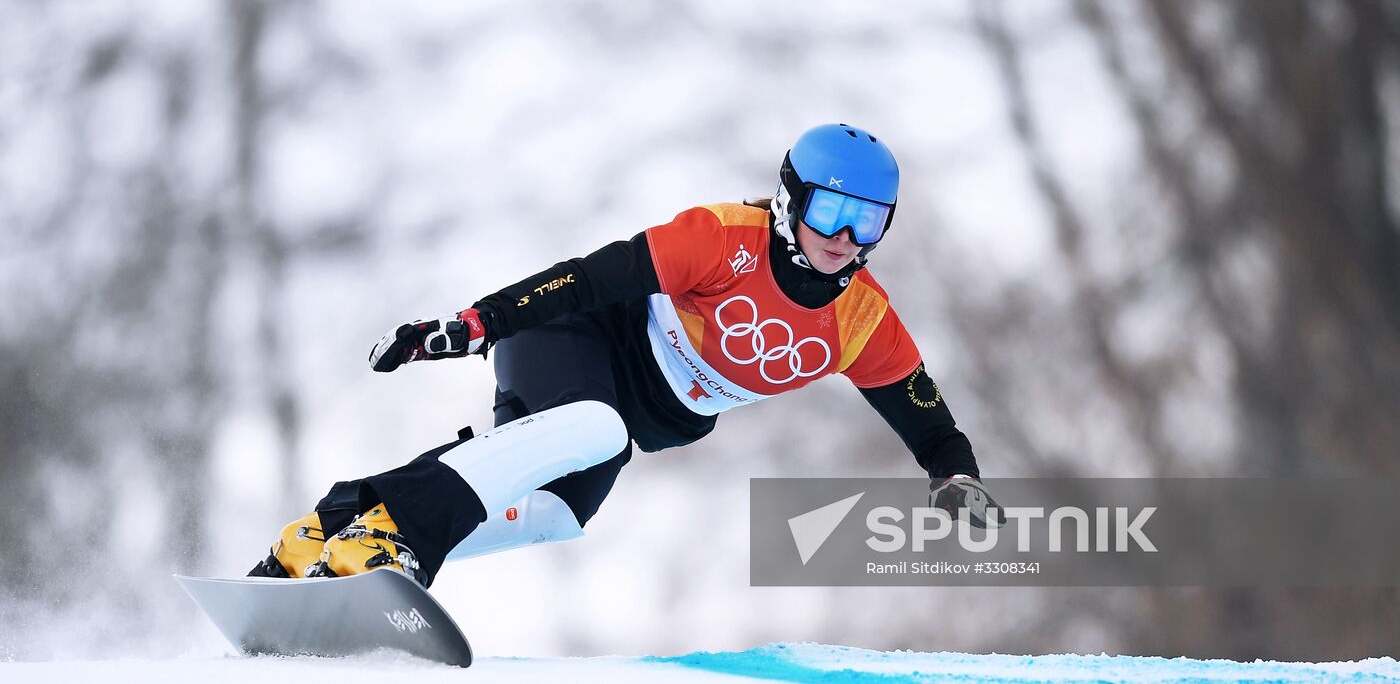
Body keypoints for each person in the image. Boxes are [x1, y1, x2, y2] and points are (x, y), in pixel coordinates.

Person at [250, 123, 1002, 586]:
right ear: (788, 198)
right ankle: (395, 539)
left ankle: (339, 527)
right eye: (829, 210)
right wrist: (475, 324)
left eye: (867, 221)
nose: (843, 237)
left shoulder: (862, 318)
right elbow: (586, 277)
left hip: (627, 408)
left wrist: (954, 477)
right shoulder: (721, 238)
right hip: (576, 336)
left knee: (554, 513)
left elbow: (926, 418)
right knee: (595, 430)